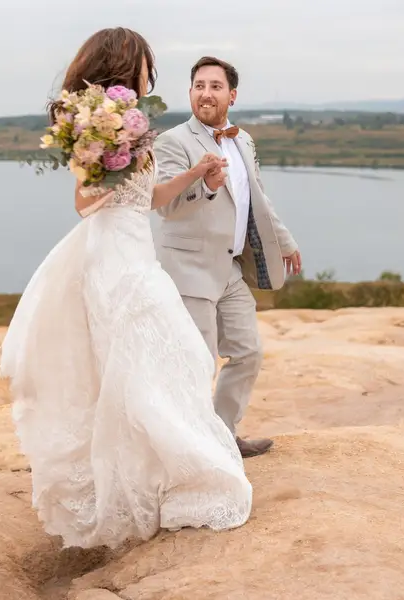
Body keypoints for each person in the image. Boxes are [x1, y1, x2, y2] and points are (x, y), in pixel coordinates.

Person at [0, 28, 252, 550]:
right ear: (122, 64)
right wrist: (112, 160)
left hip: (138, 251)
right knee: (153, 363)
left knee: (161, 363)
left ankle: (152, 475)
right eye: (144, 64)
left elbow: (149, 199)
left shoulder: (131, 123)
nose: (149, 74)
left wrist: (197, 173)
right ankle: (146, 479)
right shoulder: (103, 123)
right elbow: (84, 203)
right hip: (114, 261)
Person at [153, 56, 301, 458]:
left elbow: (258, 198)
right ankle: (192, 448)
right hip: (188, 268)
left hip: (229, 267)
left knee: (248, 352)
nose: (206, 93)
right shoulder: (172, 142)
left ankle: (222, 435)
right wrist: (208, 186)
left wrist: (284, 242)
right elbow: (165, 206)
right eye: (199, 85)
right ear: (190, 93)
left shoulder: (244, 140)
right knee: (198, 364)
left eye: (215, 86)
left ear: (231, 95)